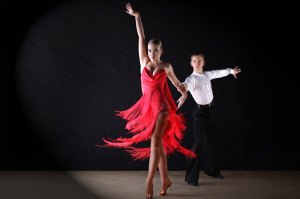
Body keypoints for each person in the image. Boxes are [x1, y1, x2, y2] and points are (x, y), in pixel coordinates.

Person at [102, 2, 195, 198]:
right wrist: (137, 17)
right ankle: (166, 180)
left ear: (161, 51)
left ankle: (149, 183)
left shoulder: (166, 66)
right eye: (150, 50)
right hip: (148, 109)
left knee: (154, 143)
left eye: (155, 51)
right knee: (159, 144)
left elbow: (178, 84)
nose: (152, 53)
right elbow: (141, 37)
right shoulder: (143, 61)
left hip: (162, 109)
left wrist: (184, 93)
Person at [178, 53, 241, 186]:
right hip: (200, 114)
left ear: (203, 62)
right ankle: (191, 177)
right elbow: (186, 84)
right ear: (191, 63)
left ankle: (211, 170)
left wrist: (231, 71)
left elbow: (218, 73)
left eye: (200, 61)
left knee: (210, 143)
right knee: (198, 145)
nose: (197, 63)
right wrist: (183, 90)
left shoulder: (207, 75)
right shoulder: (192, 78)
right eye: (195, 61)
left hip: (211, 112)